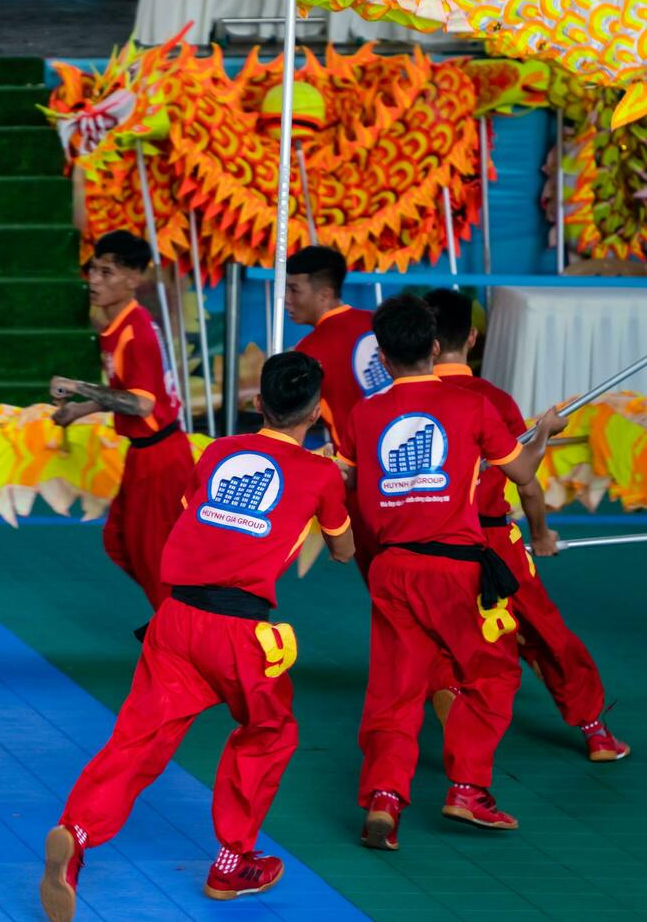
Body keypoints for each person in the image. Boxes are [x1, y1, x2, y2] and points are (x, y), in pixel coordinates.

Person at [41, 353, 354, 918]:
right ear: (317, 413)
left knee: (138, 739)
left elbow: (198, 515)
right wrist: (332, 482)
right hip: (238, 633)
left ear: (257, 404)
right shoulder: (322, 473)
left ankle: (77, 833)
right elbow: (342, 551)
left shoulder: (218, 452)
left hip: (175, 619)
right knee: (268, 731)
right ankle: (234, 862)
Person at [338, 294, 566, 849]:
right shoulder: (471, 406)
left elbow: (343, 482)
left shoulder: (363, 414)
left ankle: (385, 801)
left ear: (384, 359)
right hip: (456, 571)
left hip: (392, 569)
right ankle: (467, 788)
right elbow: (524, 472)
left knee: (395, 690)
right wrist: (543, 432)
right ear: (435, 348)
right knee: (493, 674)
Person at [421, 289, 628, 762]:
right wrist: (540, 534)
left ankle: (450, 697)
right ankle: (594, 729)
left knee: (438, 634)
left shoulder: (399, 403)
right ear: (472, 337)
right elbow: (528, 484)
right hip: (495, 542)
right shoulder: (492, 399)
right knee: (545, 632)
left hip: (430, 544)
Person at [51, 229, 191, 611]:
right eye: (93, 270)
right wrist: (81, 409)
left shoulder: (137, 331)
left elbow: (141, 405)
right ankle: (175, 618)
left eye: (107, 273)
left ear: (134, 279)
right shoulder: (118, 326)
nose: (94, 281)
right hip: (144, 455)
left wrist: (77, 387)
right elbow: (126, 392)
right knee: (119, 541)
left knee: (153, 556)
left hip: (161, 459)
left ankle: (175, 631)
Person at [287, 245, 388, 580]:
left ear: (325, 293)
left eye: (294, 290)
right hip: (415, 469)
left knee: (385, 583)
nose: (286, 299)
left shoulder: (310, 351)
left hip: (362, 479)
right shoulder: (379, 323)